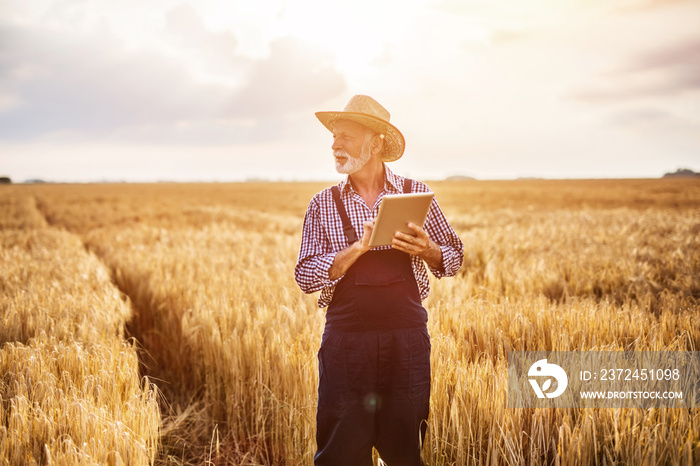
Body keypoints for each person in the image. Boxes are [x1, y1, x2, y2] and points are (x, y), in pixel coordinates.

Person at [295, 95, 464, 465]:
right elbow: (305, 276)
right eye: (334, 137)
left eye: (346, 136)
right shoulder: (322, 204)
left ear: (375, 144)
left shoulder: (416, 195)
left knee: (404, 448)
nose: (335, 145)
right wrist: (357, 248)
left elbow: (453, 257)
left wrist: (427, 250)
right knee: (341, 451)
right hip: (347, 344)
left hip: (406, 343)